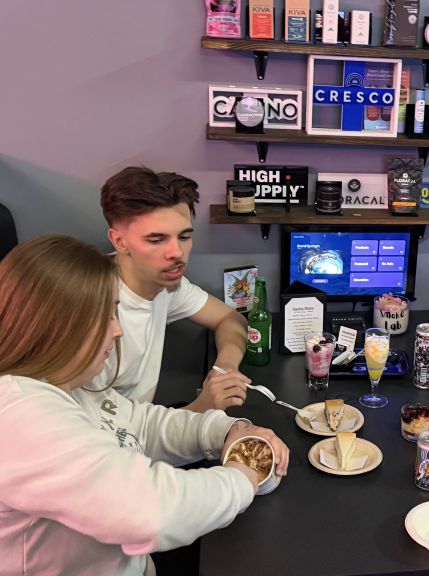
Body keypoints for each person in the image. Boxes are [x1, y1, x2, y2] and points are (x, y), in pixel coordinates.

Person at [0, 235, 290, 576]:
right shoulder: (20, 414)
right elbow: (150, 512)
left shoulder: (70, 385)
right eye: (106, 314)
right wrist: (244, 476)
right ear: (59, 326)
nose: (118, 330)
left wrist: (226, 430)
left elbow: (142, 427)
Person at [90, 166, 252, 411]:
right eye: (156, 240)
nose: (176, 253)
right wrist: (201, 407)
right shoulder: (90, 313)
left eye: (184, 237)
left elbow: (231, 318)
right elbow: (100, 437)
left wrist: (224, 369)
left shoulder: (166, 284)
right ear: (119, 241)